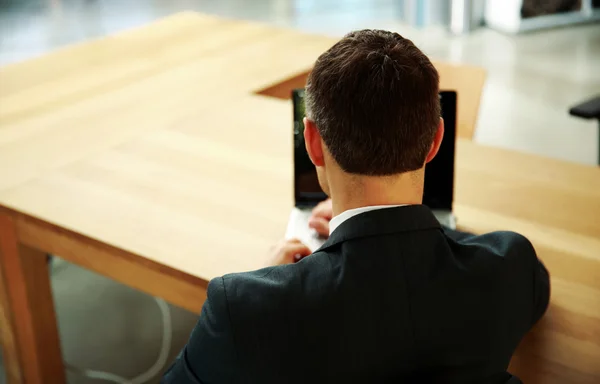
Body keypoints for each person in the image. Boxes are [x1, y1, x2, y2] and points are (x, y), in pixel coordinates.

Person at [162, 29, 550, 384]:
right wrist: (400, 229)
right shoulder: (511, 268)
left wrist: (269, 285)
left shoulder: (242, 308)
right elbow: (537, 285)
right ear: (436, 141)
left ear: (312, 142)